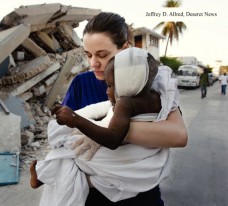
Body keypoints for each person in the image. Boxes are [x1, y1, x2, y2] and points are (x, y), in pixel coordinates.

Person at [59, 11, 187, 205]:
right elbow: (64, 134)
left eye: (103, 55)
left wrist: (105, 130)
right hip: (92, 197)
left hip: (141, 197)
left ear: (126, 49)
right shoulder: (81, 83)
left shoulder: (150, 83)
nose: (93, 63)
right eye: (89, 55)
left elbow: (178, 136)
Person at [30, 47, 179, 206]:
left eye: (110, 85)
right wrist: (80, 114)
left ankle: (41, 174)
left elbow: (113, 138)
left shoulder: (125, 102)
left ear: (127, 82)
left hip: (123, 154)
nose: (107, 91)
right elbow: (103, 106)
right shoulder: (157, 96)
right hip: (143, 165)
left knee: (65, 151)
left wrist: (75, 119)